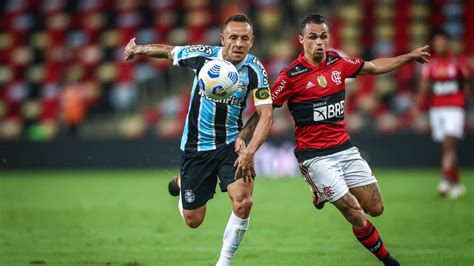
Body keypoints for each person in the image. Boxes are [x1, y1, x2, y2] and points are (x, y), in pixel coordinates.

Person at [238, 14, 430, 266]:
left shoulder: (339, 63)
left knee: (376, 208)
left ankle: (321, 193)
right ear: (301, 40)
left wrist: (408, 57)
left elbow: (373, 66)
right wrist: (242, 139)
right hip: (314, 156)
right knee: (354, 211)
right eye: (313, 37)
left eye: (323, 36)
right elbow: (265, 111)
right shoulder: (290, 76)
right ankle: (389, 260)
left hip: (345, 148)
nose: (319, 42)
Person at [124, 13, 273, 266]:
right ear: (222, 39)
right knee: (194, 221)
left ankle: (223, 263)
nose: (238, 43)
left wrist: (247, 147)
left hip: (230, 146)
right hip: (196, 148)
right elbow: (169, 52)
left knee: (244, 201)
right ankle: (183, 182)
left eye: (244, 38)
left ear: (252, 41)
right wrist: (138, 49)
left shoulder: (255, 69)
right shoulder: (203, 55)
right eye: (233, 37)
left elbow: (266, 115)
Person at [414, 29, 472, 199]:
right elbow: (425, 86)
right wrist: (418, 106)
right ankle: (458, 184)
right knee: (446, 147)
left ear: (448, 43)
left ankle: (445, 180)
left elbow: (469, 81)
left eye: (443, 41)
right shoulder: (430, 64)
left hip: (455, 107)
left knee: (448, 143)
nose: (440, 45)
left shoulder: (459, 61)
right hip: (436, 108)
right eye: (437, 42)